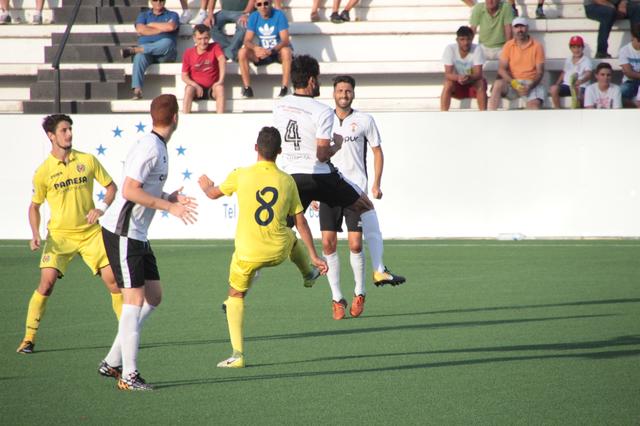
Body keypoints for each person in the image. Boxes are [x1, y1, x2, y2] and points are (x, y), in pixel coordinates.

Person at [198, 127, 328, 368]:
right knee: (289, 234)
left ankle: (237, 355)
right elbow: (301, 222)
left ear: (256, 147)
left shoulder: (240, 174)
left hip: (247, 254)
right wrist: (314, 256)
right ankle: (307, 273)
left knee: (234, 296)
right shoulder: (287, 180)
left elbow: (213, 194)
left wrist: (206, 186)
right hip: (278, 251)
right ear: (279, 151)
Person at [273, 54, 406, 290]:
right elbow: (323, 155)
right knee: (366, 206)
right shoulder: (322, 111)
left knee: (277, 231)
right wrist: (336, 144)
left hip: (290, 176)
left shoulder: (280, 105)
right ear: (312, 80)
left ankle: (246, 284)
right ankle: (379, 269)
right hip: (320, 176)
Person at [98, 94, 198, 391]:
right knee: (134, 301)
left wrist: (169, 196)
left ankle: (112, 360)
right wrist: (170, 208)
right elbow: (129, 190)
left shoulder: (157, 145)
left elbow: (144, 188)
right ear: (176, 117)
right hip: (123, 231)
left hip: (138, 232)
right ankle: (129, 375)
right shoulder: (150, 147)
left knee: (153, 296)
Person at [16, 114, 122, 354]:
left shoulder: (87, 160)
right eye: (64, 130)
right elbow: (34, 206)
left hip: (91, 234)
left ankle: (126, 335)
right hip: (60, 237)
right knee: (46, 284)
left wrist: (101, 208)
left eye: (70, 129)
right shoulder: (43, 172)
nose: (69, 134)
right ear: (51, 136)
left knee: (114, 282)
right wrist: (35, 233)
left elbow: (111, 187)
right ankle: (28, 338)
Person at [315, 75, 386, 320]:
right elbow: (316, 153)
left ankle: (360, 292)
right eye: (340, 90)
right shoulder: (323, 119)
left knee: (355, 244)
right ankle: (336, 298)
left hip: (355, 191)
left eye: (348, 91)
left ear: (353, 94)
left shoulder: (365, 120)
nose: (344, 94)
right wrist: (312, 188)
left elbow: (377, 152)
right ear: (333, 94)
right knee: (327, 244)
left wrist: (376, 183)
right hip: (327, 187)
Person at [121, 0, 179, 100]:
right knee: (140, 56)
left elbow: (171, 26)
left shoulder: (173, 14)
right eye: (155, 0)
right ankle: (137, 90)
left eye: (161, 0)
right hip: (147, 52)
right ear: (151, 1)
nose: (158, 2)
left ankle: (135, 50)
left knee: (167, 42)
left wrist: (151, 24)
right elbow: (140, 29)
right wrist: (161, 29)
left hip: (165, 54)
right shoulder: (143, 15)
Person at [238, 0, 292, 98]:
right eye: (259, 4)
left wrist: (271, 51)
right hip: (261, 53)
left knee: (286, 51)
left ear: (270, 3)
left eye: (265, 3)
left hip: (276, 52)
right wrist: (256, 48)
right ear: (255, 5)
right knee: (242, 52)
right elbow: (247, 40)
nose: (263, 7)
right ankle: (247, 88)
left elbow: (285, 40)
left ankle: (285, 88)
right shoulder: (254, 16)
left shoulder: (279, 15)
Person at [489, 17, 545, 110]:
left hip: (531, 83)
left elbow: (540, 72)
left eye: (522, 27)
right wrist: (514, 84)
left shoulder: (537, 46)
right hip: (513, 82)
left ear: (527, 28)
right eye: (517, 27)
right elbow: (501, 69)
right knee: (498, 84)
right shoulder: (508, 45)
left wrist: (529, 87)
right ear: (512, 29)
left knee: (534, 107)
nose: (519, 30)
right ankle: (490, 119)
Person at [181, 24, 226, 114]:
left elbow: (222, 59)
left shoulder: (215, 47)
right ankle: (185, 118)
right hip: (196, 88)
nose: (203, 42)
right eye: (199, 39)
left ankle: (221, 121)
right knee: (188, 89)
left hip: (212, 89)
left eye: (205, 38)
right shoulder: (188, 53)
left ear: (209, 37)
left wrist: (220, 80)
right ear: (194, 38)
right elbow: (184, 76)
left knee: (220, 88)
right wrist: (195, 85)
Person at [441, 25, 487, 111]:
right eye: (462, 39)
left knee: (481, 83)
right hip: (457, 83)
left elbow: (478, 73)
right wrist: (459, 77)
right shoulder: (450, 49)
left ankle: (483, 113)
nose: (465, 43)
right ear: (457, 40)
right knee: (447, 84)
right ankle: (443, 113)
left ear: (472, 39)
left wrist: (468, 77)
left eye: (468, 39)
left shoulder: (477, 48)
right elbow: (448, 74)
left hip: (472, 82)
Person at [549, 35, 593, 109]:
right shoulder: (568, 59)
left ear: (582, 48)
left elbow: (588, 74)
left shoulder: (586, 60)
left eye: (579, 47)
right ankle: (557, 110)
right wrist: (557, 84)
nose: (576, 50)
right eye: (574, 47)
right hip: (567, 86)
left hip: (580, 86)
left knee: (581, 95)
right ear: (570, 48)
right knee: (553, 89)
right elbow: (564, 73)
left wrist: (581, 81)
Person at [618, 23, 640, 107]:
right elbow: (628, 73)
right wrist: (631, 73)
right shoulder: (624, 50)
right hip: (629, 82)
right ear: (633, 37)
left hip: (633, 80)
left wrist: (634, 73)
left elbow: (630, 72)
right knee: (617, 95)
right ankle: (635, 105)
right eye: (639, 40)